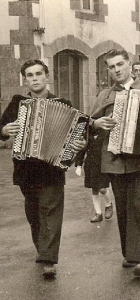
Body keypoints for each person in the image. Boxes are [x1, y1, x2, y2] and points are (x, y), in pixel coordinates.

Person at [0, 59, 86, 278]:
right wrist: (4, 130)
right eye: (30, 75)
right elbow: (1, 128)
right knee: (34, 214)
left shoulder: (63, 103)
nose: (35, 78)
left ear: (47, 77)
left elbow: (79, 132)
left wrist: (78, 144)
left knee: (50, 212)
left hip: (52, 169)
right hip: (26, 169)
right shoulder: (18, 103)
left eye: (39, 74)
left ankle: (48, 260)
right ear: (25, 80)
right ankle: (43, 249)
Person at [90, 49, 140, 277]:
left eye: (120, 64)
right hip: (114, 162)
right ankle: (129, 254)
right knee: (123, 209)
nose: (117, 70)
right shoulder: (104, 96)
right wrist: (96, 124)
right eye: (111, 67)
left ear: (130, 64)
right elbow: (89, 123)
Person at [75, 134, 113, 223]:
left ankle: (108, 205)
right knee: (94, 189)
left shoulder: (106, 132)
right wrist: (79, 165)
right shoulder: (87, 133)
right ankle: (98, 213)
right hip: (90, 164)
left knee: (102, 188)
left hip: (102, 165)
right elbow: (81, 150)